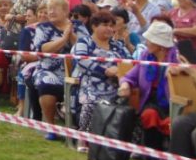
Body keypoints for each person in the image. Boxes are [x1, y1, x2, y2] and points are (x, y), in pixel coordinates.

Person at [32, 0, 89, 140]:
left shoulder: (78, 26)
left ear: (65, 10)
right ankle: (51, 127)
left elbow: (85, 48)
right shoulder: (43, 27)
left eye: (54, 8)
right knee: (46, 84)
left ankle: (79, 127)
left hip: (75, 71)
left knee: (85, 87)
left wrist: (71, 35)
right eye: (49, 9)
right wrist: (63, 39)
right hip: (48, 69)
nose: (50, 12)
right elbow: (42, 49)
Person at [72, 11, 130, 152]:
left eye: (112, 25)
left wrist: (118, 70)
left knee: (130, 104)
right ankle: (82, 138)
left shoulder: (118, 45)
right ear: (94, 26)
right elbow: (81, 60)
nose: (110, 29)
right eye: (105, 25)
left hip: (115, 85)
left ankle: (124, 145)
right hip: (90, 82)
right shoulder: (84, 42)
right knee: (91, 101)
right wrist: (104, 71)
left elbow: (129, 61)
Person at [119, 21, 179, 151]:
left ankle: (168, 153)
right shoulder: (146, 55)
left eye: (150, 40)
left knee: (170, 121)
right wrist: (125, 84)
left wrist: (179, 72)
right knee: (149, 114)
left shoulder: (177, 57)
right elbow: (130, 76)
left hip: (173, 102)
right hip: (150, 99)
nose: (146, 42)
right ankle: (154, 152)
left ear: (160, 44)